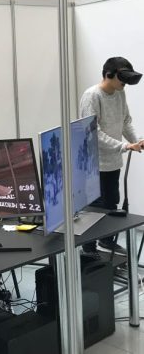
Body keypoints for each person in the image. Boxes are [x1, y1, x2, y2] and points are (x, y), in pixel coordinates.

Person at [79, 57, 144, 257]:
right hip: (93, 165)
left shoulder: (119, 92)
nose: (125, 83)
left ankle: (106, 241)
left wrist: (137, 141)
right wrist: (124, 146)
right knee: (94, 209)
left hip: (113, 162)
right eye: (122, 78)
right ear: (109, 75)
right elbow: (92, 132)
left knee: (111, 204)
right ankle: (89, 250)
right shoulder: (92, 96)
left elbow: (125, 121)